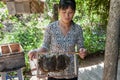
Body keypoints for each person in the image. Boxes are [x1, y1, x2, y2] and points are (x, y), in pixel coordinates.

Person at [28, 0, 87, 80]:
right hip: (53, 71)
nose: (67, 15)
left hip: (71, 72)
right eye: (64, 12)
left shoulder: (77, 29)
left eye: (70, 12)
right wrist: (36, 51)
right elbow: (45, 46)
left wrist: (82, 51)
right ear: (59, 10)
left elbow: (81, 47)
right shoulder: (51, 28)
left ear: (74, 12)